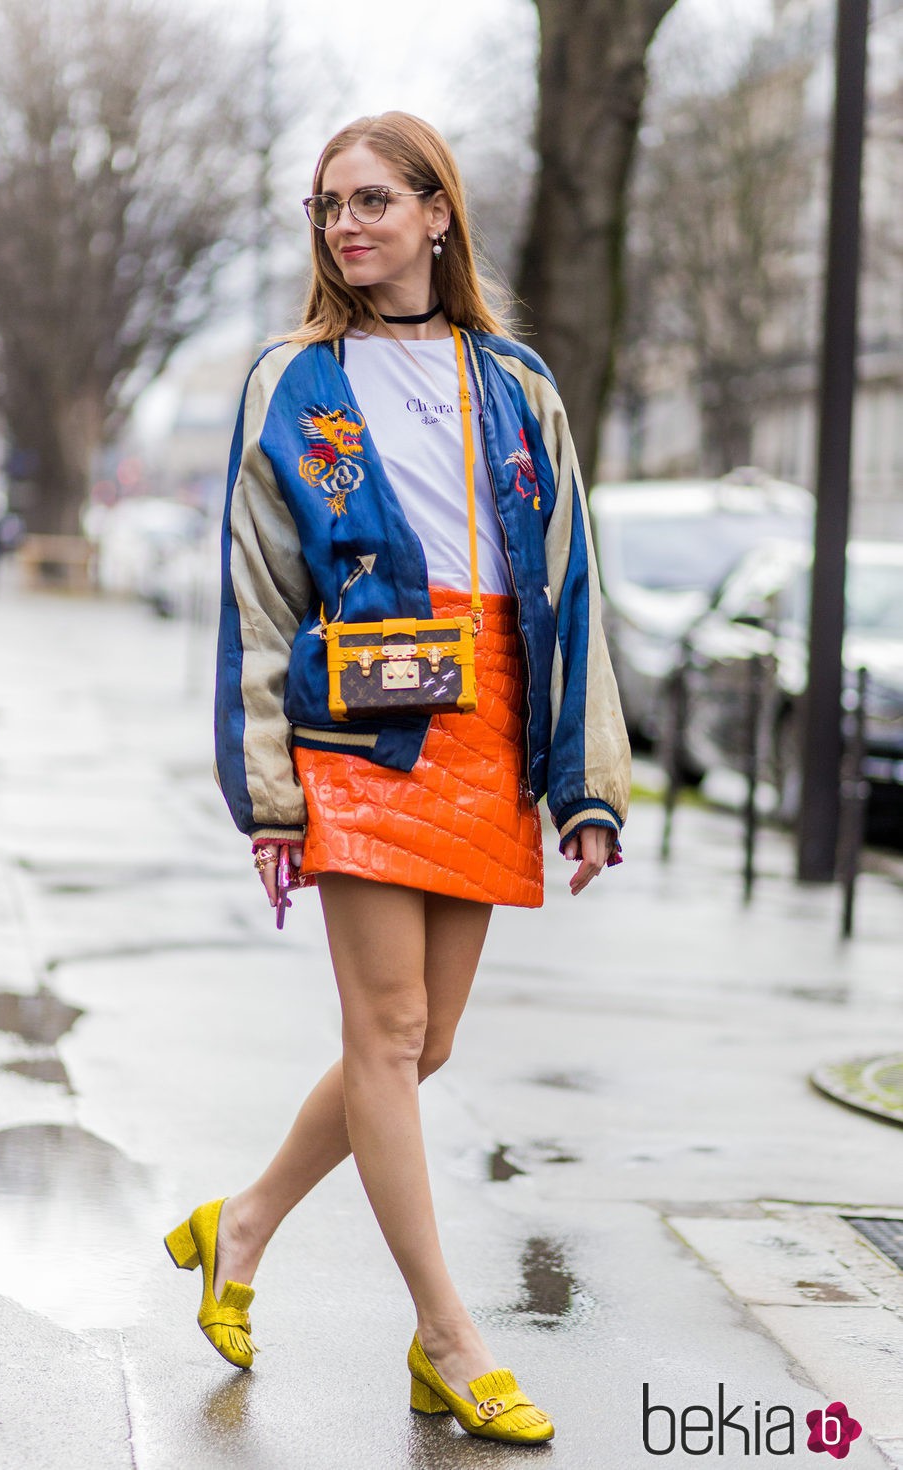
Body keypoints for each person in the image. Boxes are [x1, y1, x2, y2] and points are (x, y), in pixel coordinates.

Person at [164, 111, 631, 1447]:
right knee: (383, 1031)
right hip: (361, 732)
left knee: (423, 1043)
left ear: (439, 213)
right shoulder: (292, 381)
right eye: (327, 206)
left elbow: (570, 587)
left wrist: (583, 784)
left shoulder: (519, 381)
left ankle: (238, 1223)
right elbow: (258, 599)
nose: (347, 224)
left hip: (487, 729)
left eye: (373, 199)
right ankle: (447, 1332)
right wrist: (267, 794)